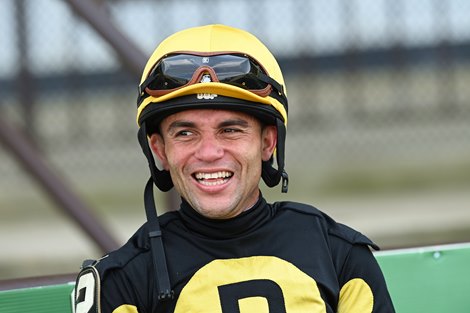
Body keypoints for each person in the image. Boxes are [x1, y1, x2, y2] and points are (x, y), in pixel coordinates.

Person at [74, 24, 395, 313]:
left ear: (268, 143)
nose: (210, 152)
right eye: (185, 133)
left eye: (231, 129)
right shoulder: (121, 282)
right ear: (159, 149)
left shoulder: (340, 254)